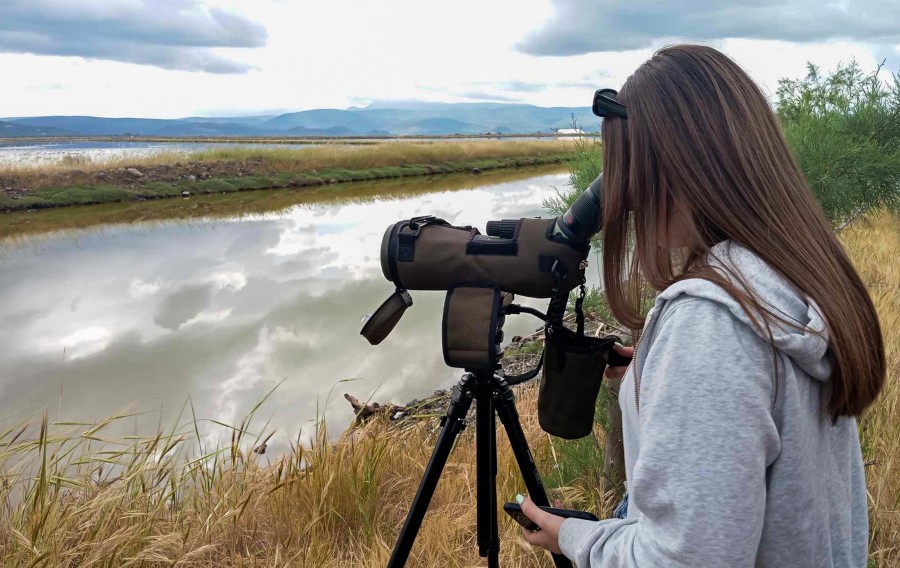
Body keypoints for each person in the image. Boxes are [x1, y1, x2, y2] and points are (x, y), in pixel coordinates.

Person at [516, 44, 885, 567]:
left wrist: (577, 539)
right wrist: (655, 378)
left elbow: (681, 560)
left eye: (635, 171)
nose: (629, 197)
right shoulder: (788, 273)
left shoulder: (711, 322)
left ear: (681, 168)